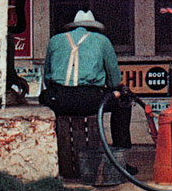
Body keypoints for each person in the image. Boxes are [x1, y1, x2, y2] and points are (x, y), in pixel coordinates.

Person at [42, 10, 135, 175]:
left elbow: (47, 76)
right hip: (90, 100)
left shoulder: (55, 40)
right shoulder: (102, 41)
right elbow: (114, 80)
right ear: (95, 28)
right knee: (123, 104)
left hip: (60, 99)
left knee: (44, 97)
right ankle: (120, 160)